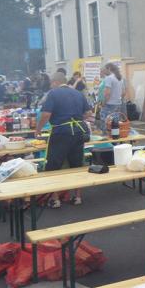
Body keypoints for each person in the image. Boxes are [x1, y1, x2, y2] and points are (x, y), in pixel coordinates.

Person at [36, 72, 93, 208]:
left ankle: (55, 200)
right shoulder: (78, 93)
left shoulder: (53, 93)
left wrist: (38, 129)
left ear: (55, 82)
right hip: (78, 132)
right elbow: (89, 113)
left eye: (51, 83)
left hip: (61, 133)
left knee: (53, 166)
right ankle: (77, 197)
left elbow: (46, 114)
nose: (51, 86)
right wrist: (76, 118)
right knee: (77, 164)